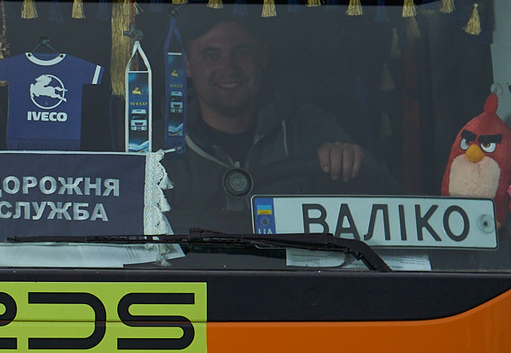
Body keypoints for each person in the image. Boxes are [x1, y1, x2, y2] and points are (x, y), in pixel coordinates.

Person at [158, 14, 385, 232]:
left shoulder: (304, 126)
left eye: (242, 52)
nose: (229, 68)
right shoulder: (159, 147)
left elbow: (375, 190)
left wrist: (347, 159)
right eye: (211, 55)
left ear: (263, 56)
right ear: (186, 65)